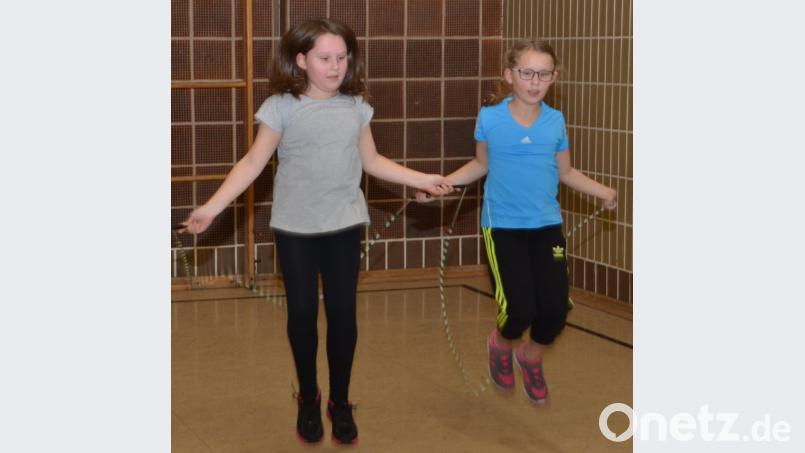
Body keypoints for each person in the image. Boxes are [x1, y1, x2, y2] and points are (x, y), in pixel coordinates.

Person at [181, 18, 451, 444]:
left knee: (343, 316)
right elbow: (252, 163)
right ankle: (308, 395)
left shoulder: (356, 107)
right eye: (325, 58)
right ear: (302, 60)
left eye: (342, 57)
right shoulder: (281, 107)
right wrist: (212, 208)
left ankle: (340, 401)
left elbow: (372, 161)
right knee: (303, 316)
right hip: (295, 230)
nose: (335, 66)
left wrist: (422, 179)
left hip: (343, 224)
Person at [419, 39, 617, 404]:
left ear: (554, 77)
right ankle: (500, 343)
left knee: (556, 309)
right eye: (527, 73)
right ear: (509, 75)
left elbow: (566, 171)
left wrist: (602, 191)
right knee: (520, 308)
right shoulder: (490, 118)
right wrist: (441, 186)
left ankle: (530, 356)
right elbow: (480, 164)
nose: (535, 81)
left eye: (544, 74)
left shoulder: (555, 121)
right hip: (503, 228)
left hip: (547, 226)